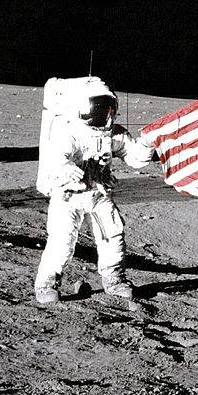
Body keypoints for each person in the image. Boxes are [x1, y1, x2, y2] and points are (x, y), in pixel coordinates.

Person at [34, 77, 154, 305]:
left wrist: (146, 146)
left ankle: (114, 279)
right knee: (62, 241)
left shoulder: (113, 135)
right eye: (99, 109)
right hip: (69, 195)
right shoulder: (69, 131)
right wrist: (67, 169)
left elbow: (135, 158)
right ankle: (46, 283)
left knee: (113, 234)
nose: (105, 115)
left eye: (109, 109)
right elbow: (56, 157)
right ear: (81, 108)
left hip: (99, 194)